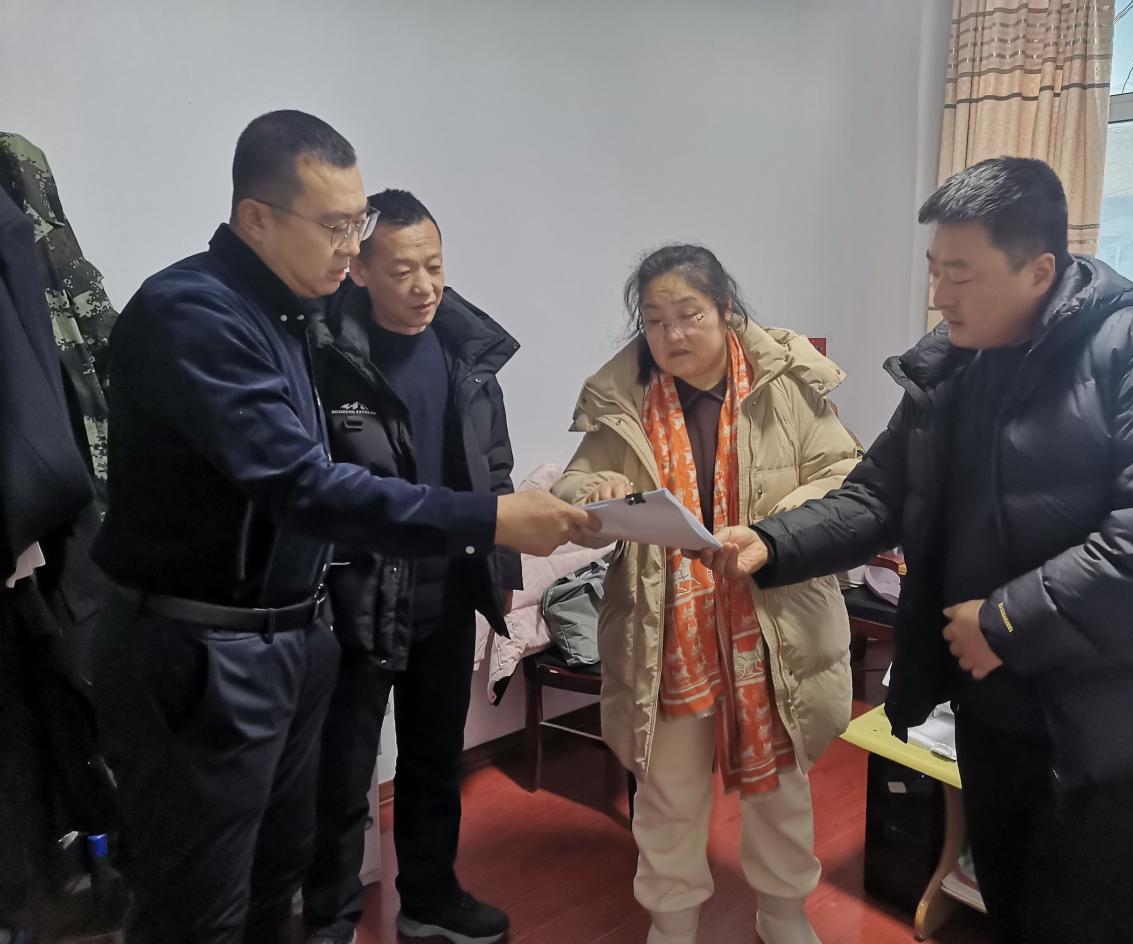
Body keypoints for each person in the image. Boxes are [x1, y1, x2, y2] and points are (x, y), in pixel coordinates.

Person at [697, 158, 1133, 944]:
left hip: (1114, 718)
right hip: (995, 705)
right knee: (1008, 903)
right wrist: (768, 540)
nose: (938, 293)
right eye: (934, 269)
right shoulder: (954, 367)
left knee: (1086, 924)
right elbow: (877, 496)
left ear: (1039, 270)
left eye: (959, 274)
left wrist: (1005, 622)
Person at [90, 111, 591, 944]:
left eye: (356, 224)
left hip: (291, 636)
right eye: (335, 227)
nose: (349, 248)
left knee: (275, 880)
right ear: (256, 217)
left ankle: (412, 899)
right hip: (202, 649)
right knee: (201, 906)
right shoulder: (193, 314)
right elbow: (303, 485)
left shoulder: (293, 318)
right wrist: (491, 519)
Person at [553, 245, 862, 944]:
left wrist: (769, 534)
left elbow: (845, 475)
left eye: (688, 314)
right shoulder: (625, 397)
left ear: (724, 309)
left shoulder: (783, 384)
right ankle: (671, 925)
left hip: (772, 618)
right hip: (664, 629)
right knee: (667, 792)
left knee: (778, 786)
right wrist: (596, 491)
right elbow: (572, 488)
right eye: (655, 320)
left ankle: (782, 915)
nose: (672, 334)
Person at [303, 189, 520, 944]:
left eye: (434, 265)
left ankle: (429, 898)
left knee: (434, 760)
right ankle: (327, 924)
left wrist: (499, 571)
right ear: (359, 269)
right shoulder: (324, 356)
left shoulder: (466, 351)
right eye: (402, 270)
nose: (425, 286)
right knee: (339, 782)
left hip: (448, 593)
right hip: (355, 603)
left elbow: (493, 469)